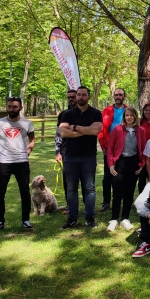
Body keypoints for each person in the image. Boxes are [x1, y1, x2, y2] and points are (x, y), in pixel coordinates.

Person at [59, 86, 103, 229]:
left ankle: (90, 218)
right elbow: (63, 133)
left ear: (88, 97)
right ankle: (72, 218)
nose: (80, 97)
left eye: (84, 95)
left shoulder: (96, 113)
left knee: (89, 188)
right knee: (71, 188)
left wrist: (75, 127)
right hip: (70, 157)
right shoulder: (67, 114)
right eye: (78, 95)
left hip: (88, 157)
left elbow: (95, 131)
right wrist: (86, 130)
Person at [0, 97, 35, 230]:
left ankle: (26, 220)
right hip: (4, 163)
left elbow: (32, 140)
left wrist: (27, 153)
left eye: (15, 107)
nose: (12, 109)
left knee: (25, 192)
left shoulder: (27, 124)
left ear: (20, 108)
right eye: (9, 106)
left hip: (21, 162)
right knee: (0, 193)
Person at [106, 106, 147, 232]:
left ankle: (125, 218)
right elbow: (110, 149)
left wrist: (141, 164)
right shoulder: (118, 129)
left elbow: (143, 148)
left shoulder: (141, 130)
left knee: (129, 192)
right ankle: (114, 219)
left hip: (133, 163)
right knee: (118, 193)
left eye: (131, 115)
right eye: (127, 115)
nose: (129, 117)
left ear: (135, 116)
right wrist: (111, 165)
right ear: (124, 117)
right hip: (120, 163)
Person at [98, 88, 127, 213]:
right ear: (113, 96)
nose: (118, 96)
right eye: (116, 95)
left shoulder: (128, 111)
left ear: (124, 96)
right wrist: (103, 146)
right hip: (109, 149)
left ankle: (121, 200)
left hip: (125, 149)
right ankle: (106, 202)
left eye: (120, 94)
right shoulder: (106, 111)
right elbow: (101, 130)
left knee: (121, 177)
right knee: (107, 177)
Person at [55, 89, 84, 203]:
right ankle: (70, 206)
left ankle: (87, 205)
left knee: (86, 182)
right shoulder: (63, 114)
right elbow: (59, 134)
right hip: (66, 151)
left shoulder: (85, 112)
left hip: (84, 151)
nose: (71, 99)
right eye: (69, 97)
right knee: (68, 182)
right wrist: (57, 152)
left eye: (73, 96)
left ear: (77, 97)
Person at [138, 103, 150, 193]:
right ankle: (142, 198)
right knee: (142, 179)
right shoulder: (140, 122)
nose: (148, 112)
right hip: (142, 153)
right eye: (146, 110)